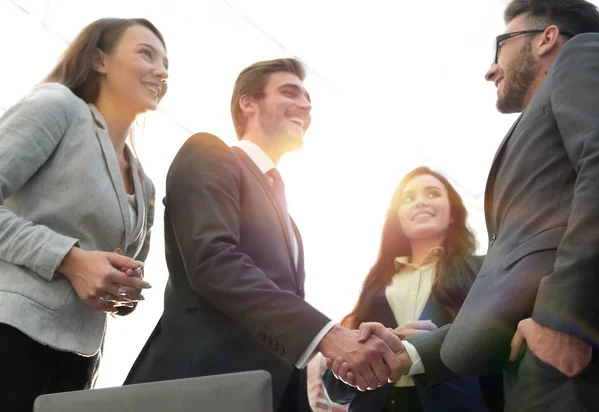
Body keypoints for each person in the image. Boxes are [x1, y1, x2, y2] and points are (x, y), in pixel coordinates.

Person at [334, 1, 599, 411]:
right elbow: (513, 293)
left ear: (547, 38)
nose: (491, 70)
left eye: (500, 48)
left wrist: (563, 321)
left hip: (566, 361)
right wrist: (411, 354)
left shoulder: (580, 58)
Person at [125, 58, 402, 412]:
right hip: (198, 389)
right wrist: (329, 336)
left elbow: (278, 307)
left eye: (309, 101)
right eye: (290, 92)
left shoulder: (290, 218)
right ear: (248, 102)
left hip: (271, 396)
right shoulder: (209, 154)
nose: (305, 106)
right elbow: (215, 263)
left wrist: (350, 344)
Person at [0, 17, 167, 411]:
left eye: (166, 65)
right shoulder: (58, 106)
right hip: (11, 336)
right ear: (99, 60)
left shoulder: (144, 183)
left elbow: (117, 276)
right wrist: (71, 260)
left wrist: (123, 288)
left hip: (79, 364)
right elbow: (78, 262)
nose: (161, 71)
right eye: (147, 54)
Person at [323, 167, 487, 412]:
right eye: (408, 198)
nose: (420, 202)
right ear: (398, 217)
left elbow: (492, 346)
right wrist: (375, 349)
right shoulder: (375, 285)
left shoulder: (483, 270)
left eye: (432, 194)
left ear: (452, 213)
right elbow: (334, 389)